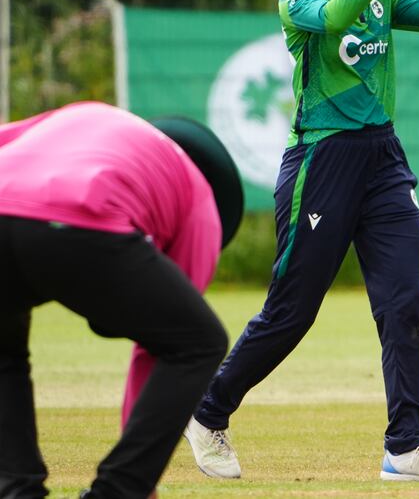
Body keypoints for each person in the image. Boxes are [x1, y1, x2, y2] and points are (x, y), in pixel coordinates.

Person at [183, 0, 419, 482]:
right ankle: (206, 411)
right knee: (292, 311)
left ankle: (407, 448)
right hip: (322, 162)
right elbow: (337, 15)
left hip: (384, 160)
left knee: (405, 303)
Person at [0, 101, 243, 499]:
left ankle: (16, 491)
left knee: (4, 353)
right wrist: (139, 481)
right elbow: (162, 348)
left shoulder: (86, 119)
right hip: (81, 215)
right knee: (200, 342)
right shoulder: (199, 197)